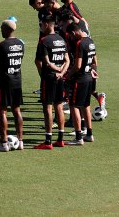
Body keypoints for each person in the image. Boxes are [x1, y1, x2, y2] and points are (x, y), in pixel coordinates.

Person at [34, 17, 70, 149]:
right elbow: (67, 60)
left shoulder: (44, 41)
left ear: (48, 24)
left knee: (47, 108)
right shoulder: (61, 40)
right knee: (59, 106)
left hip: (49, 78)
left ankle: (48, 141)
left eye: (41, 24)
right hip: (60, 78)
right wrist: (61, 72)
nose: (40, 26)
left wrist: (45, 73)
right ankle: (60, 138)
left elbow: (43, 62)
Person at [0, 20, 25, 151]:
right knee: (16, 110)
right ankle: (20, 141)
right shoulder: (20, 44)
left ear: (6, 29)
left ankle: (3, 143)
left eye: (1, 28)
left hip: (4, 81)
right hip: (17, 80)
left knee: (2, 111)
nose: (0, 30)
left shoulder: (1, 45)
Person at [64, 21, 97, 145]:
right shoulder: (90, 41)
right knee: (86, 106)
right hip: (89, 77)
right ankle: (89, 134)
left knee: (74, 106)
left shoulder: (79, 43)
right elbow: (94, 61)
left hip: (80, 79)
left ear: (73, 32)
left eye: (71, 35)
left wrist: (68, 76)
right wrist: (93, 71)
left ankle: (78, 137)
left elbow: (77, 66)